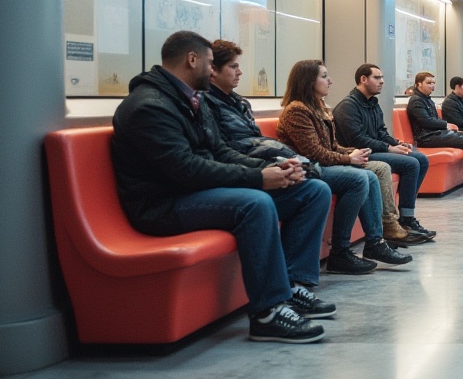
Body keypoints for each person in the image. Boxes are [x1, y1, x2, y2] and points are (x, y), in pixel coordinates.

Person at [112, 31, 334, 344]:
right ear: (192, 59)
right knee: (254, 204)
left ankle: (293, 286)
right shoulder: (150, 106)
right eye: (210, 62)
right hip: (164, 204)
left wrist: (271, 170)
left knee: (312, 191)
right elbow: (186, 171)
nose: (212, 69)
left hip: (198, 193)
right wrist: (259, 179)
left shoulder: (191, 99)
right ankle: (267, 312)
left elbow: (220, 152)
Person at [277, 60, 412, 273]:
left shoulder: (319, 107)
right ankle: (340, 252)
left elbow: (331, 146)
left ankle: (375, 241)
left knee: (370, 174)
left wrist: (351, 152)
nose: (330, 81)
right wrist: (350, 159)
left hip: (324, 163)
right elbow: (313, 153)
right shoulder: (297, 111)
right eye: (324, 76)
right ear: (308, 80)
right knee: (359, 178)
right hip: (310, 168)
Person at [333, 63, 435, 243]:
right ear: (363, 80)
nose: (382, 82)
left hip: (375, 149)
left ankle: (406, 216)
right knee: (411, 163)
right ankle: (400, 221)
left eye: (382, 78)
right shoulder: (347, 107)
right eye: (377, 78)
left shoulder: (373, 103)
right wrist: (388, 148)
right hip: (359, 154)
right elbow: (358, 140)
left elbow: (381, 131)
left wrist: (396, 143)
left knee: (419, 157)